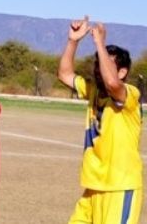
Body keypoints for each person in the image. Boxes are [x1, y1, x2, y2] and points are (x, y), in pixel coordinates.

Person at [57, 17, 142, 224]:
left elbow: (113, 84)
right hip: (94, 186)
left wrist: (99, 44)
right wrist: (73, 41)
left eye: (104, 65)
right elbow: (65, 74)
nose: (98, 70)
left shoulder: (129, 94)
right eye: (97, 64)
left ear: (122, 72)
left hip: (119, 186)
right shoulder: (93, 90)